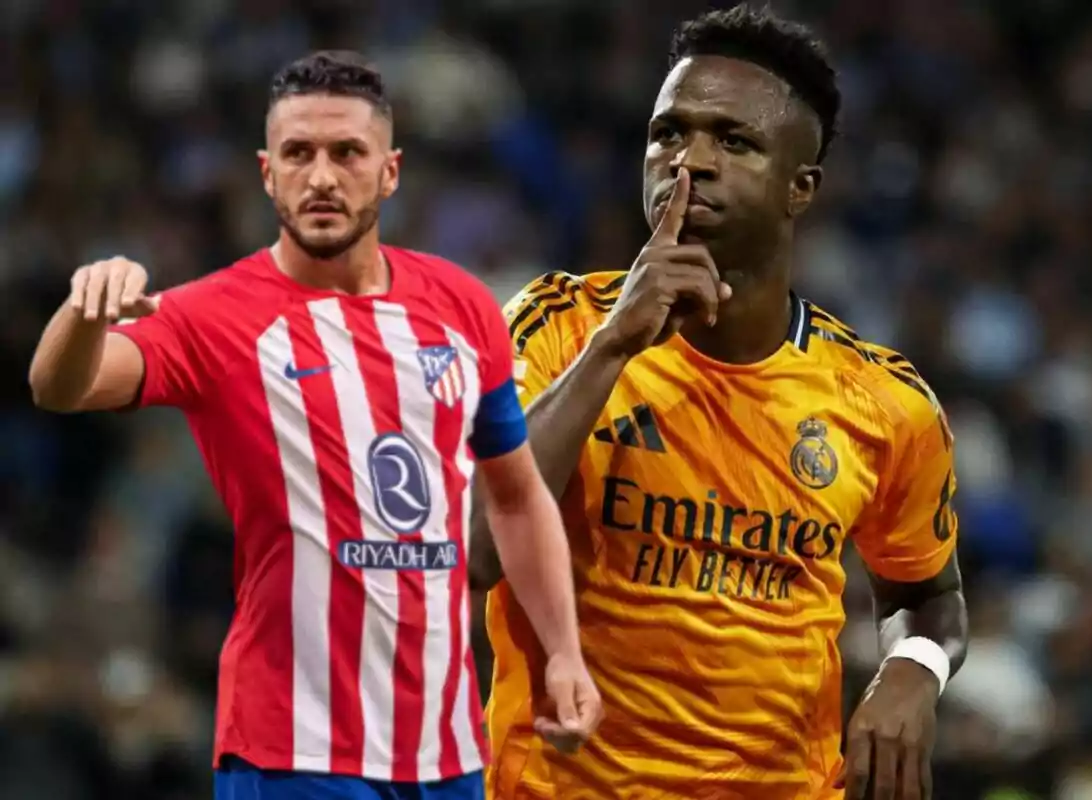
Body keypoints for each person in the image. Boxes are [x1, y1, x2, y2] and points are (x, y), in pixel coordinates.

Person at [28, 51, 601, 800]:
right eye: (298, 153)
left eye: (347, 153)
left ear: (389, 171)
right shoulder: (215, 313)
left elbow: (518, 496)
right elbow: (57, 387)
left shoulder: (462, 307)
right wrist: (83, 311)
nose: (322, 177)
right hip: (293, 752)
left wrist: (562, 650)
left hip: (448, 749)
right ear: (268, 172)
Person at [471, 6, 968, 800]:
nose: (688, 161)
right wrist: (615, 345)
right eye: (668, 133)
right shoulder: (557, 327)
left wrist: (912, 671)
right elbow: (476, 548)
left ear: (799, 189)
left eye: (733, 142)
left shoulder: (882, 401)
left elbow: (928, 596)